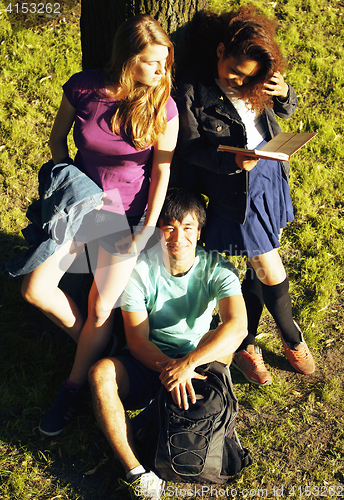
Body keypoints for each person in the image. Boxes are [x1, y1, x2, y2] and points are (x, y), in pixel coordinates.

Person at [19, 14, 179, 436]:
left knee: (101, 306)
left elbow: (161, 175)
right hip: (80, 208)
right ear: (128, 60)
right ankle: (94, 347)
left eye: (165, 62)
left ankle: (72, 385)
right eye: (152, 62)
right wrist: (66, 180)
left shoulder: (163, 105)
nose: (162, 71)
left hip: (124, 217)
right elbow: (56, 141)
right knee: (34, 290)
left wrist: (145, 229)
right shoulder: (84, 87)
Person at [175, 6, 315, 386]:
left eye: (247, 77)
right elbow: (189, 149)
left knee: (255, 265)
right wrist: (234, 162)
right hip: (233, 185)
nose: (238, 81)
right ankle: (291, 336)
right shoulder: (191, 89)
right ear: (220, 51)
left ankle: (246, 344)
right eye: (234, 72)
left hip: (269, 176)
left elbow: (284, 110)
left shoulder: (259, 77)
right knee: (267, 266)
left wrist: (285, 94)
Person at [88, 187, 247, 499]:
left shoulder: (218, 267)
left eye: (187, 227)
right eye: (169, 227)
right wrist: (172, 371)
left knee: (221, 339)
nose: (178, 236)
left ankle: (214, 425)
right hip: (150, 360)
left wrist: (188, 365)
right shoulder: (137, 271)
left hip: (198, 361)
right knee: (100, 374)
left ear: (199, 232)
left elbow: (238, 325)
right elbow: (136, 341)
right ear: (158, 232)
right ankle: (136, 471)